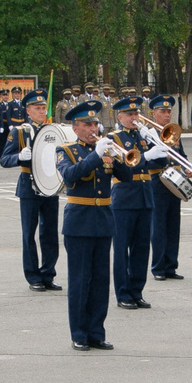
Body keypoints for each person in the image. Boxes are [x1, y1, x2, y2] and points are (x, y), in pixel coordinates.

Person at [57, 100, 120, 350]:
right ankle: (79, 334)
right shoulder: (65, 150)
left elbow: (126, 177)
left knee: (101, 280)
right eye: (88, 124)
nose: (94, 128)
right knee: (80, 280)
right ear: (75, 128)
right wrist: (96, 156)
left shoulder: (105, 149)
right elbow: (71, 175)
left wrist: (116, 157)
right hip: (79, 221)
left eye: (96, 123)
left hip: (103, 219)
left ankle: (97, 332)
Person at [3, 92, 60, 292]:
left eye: (43, 108)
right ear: (28, 111)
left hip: (49, 186)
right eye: (37, 108)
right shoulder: (19, 132)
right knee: (29, 233)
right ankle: (33, 276)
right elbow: (4, 159)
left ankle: (48, 273)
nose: (42, 111)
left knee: (50, 233)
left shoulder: (51, 130)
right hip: (29, 185)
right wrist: (18, 156)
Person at [108, 97, 160, 310]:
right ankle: (123, 293)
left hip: (145, 196)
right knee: (121, 249)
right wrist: (147, 155)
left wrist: (158, 142)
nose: (134, 117)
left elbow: (161, 162)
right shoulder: (114, 139)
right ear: (119, 117)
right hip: (124, 197)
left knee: (141, 248)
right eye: (129, 114)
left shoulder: (145, 136)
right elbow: (125, 169)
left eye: (136, 113)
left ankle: (137, 290)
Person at [145, 95, 187, 281]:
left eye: (169, 111)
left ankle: (171, 265)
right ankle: (158, 267)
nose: (167, 114)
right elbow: (147, 159)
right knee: (159, 226)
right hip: (158, 181)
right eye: (162, 111)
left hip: (174, 180)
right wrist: (166, 158)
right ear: (154, 114)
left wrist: (185, 167)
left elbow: (182, 155)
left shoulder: (172, 132)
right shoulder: (147, 134)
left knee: (173, 225)